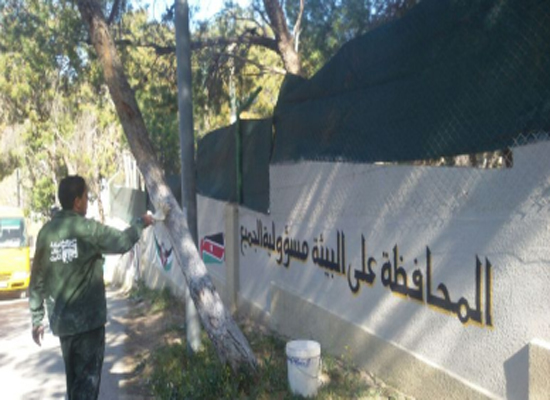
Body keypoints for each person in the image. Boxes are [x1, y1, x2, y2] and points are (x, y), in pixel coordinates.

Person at [29, 175, 153, 400]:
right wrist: (141, 223)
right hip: (89, 325)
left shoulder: (46, 233)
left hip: (63, 325)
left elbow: (37, 278)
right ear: (77, 201)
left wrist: (37, 319)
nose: (88, 201)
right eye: (86, 197)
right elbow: (122, 242)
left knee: (75, 385)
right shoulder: (87, 229)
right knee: (86, 388)